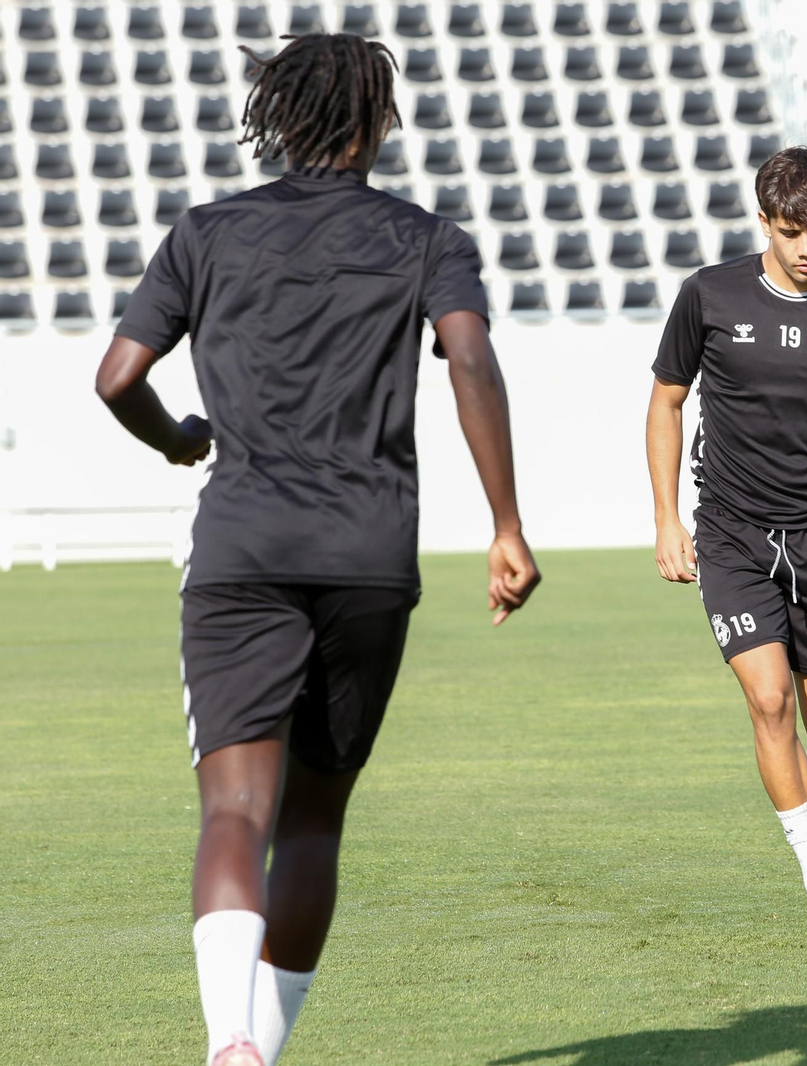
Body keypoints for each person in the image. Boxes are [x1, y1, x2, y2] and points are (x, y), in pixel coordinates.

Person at [94, 34, 539, 1066]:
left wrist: (180, 439)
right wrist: (506, 524)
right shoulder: (427, 238)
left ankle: (228, 1042)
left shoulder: (206, 233)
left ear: (276, 118)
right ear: (380, 124)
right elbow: (469, 352)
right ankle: (266, 1052)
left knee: (235, 809)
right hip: (370, 555)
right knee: (316, 820)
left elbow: (118, 376)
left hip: (243, 548)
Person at [645, 147, 807, 939]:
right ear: (764, 221)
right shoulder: (709, 296)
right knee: (769, 698)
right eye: (792, 231)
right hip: (731, 534)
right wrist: (666, 519)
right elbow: (665, 404)